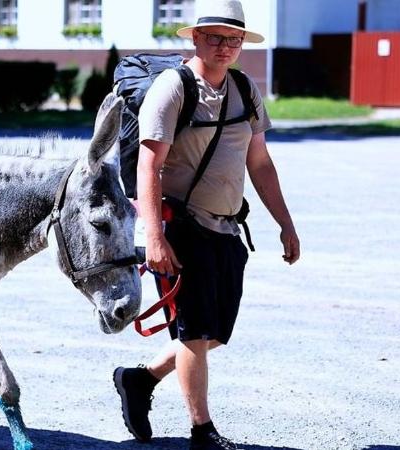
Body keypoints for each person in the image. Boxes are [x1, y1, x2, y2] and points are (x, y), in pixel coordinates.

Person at [112, 1, 301, 449]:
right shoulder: (172, 88)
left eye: (233, 39)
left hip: (227, 228)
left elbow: (260, 162)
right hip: (180, 227)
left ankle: (139, 381)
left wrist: (285, 223)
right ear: (195, 38)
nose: (224, 46)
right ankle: (203, 431)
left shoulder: (244, 88)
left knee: (215, 332)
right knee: (195, 330)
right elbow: (148, 166)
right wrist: (154, 235)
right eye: (215, 37)